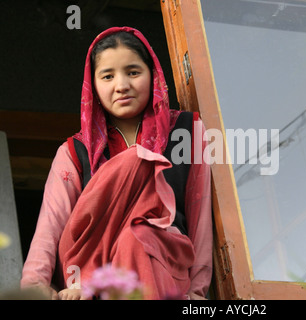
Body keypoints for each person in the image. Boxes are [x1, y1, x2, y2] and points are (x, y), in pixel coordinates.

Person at [20, 26, 212, 300]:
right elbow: (50, 224)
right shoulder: (75, 151)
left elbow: (199, 212)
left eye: (133, 72)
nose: (122, 85)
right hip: (90, 278)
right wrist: (35, 283)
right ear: (93, 85)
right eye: (107, 76)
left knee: (139, 234)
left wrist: (198, 291)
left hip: (164, 272)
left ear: (153, 75)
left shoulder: (187, 131)